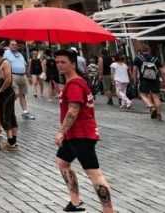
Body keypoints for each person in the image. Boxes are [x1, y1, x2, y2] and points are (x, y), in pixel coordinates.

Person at [55, 48, 114, 213]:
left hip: (81, 135)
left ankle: (108, 210)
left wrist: (61, 131)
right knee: (62, 162)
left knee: (94, 174)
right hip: (72, 135)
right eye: (57, 62)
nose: (59, 65)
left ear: (73, 63)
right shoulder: (73, 82)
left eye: (63, 62)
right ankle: (75, 201)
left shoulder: (74, 83)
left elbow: (73, 111)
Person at [0, 45, 19, 151]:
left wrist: (0, 90)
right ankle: (12, 140)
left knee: (5, 116)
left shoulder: (5, 62)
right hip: (2, 92)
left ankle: (11, 141)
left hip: (6, 93)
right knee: (9, 115)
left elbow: (8, 80)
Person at [3, 40, 35, 120]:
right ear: (9, 45)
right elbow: (3, 64)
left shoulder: (20, 54)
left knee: (22, 95)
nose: (14, 46)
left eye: (15, 45)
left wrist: (29, 76)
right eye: (12, 44)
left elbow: (25, 65)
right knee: (15, 94)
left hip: (22, 76)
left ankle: (25, 112)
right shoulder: (6, 53)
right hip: (13, 75)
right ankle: (7, 110)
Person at [133, 46, 164, 120]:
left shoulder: (137, 58)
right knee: (156, 96)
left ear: (141, 51)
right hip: (155, 80)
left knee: (142, 94)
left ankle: (151, 106)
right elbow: (162, 71)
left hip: (144, 80)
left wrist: (134, 80)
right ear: (149, 50)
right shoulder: (155, 59)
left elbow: (134, 70)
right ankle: (159, 113)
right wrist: (164, 80)